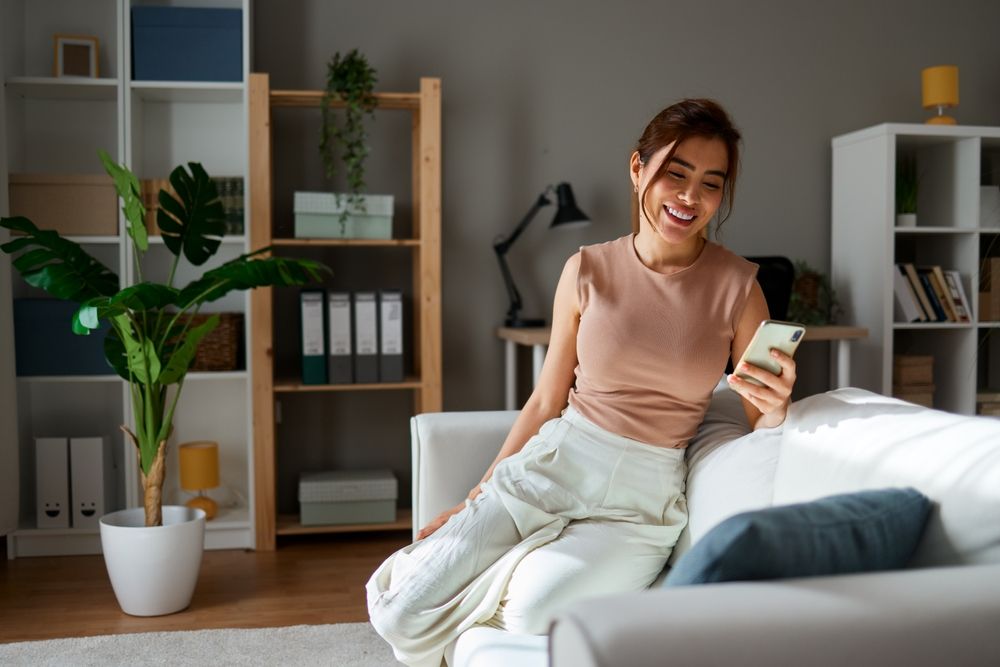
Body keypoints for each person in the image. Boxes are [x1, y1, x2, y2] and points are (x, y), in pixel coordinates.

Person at [367, 98, 797, 667]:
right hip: (556, 463)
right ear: (638, 167)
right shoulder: (586, 269)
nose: (691, 198)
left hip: (641, 501)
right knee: (397, 611)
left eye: (711, 184)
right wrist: (479, 495)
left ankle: (500, 567)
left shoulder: (739, 286)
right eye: (676, 173)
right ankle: (492, 554)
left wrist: (777, 405)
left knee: (530, 613)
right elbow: (546, 398)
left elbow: (756, 421)